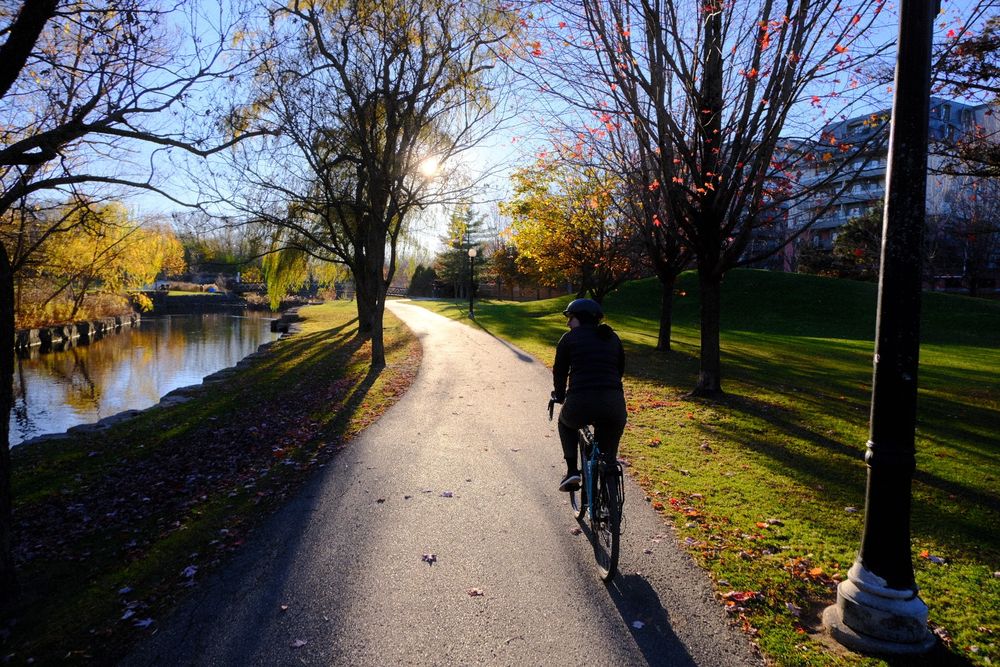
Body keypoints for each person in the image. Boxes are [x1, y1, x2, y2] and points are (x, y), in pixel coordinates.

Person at [550, 298, 627, 492]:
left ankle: (572, 472)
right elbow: (619, 369)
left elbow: (559, 372)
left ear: (580, 318)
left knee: (565, 423)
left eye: (571, 318)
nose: (568, 323)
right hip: (614, 404)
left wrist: (559, 396)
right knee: (607, 453)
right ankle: (608, 488)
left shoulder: (569, 339)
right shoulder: (613, 338)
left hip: (580, 401)